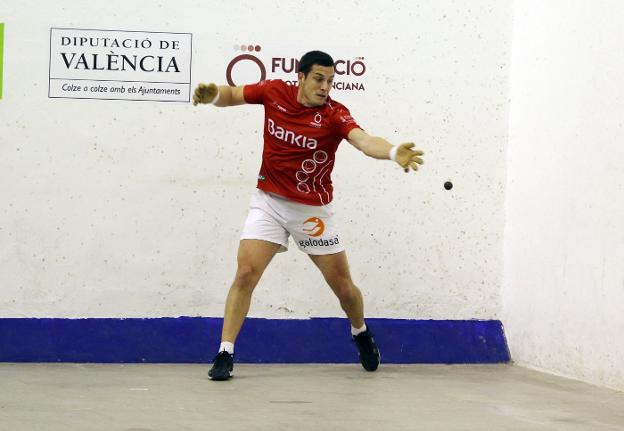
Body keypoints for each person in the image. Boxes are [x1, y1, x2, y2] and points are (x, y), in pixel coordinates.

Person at [193, 50, 424, 380]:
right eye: (318, 78)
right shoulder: (274, 92)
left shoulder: (334, 115)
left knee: (344, 290)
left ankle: (360, 331)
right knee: (245, 272)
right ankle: (225, 353)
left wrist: (390, 152)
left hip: (312, 212)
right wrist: (213, 94)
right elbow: (231, 94)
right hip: (269, 202)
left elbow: (363, 141)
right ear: (300, 76)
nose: (325, 86)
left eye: (330, 81)